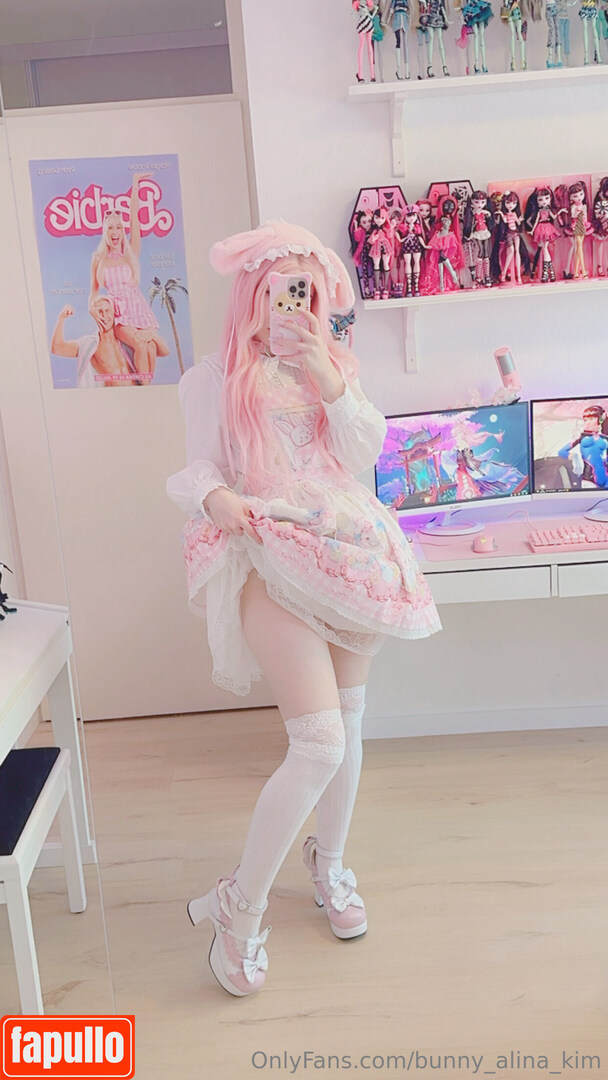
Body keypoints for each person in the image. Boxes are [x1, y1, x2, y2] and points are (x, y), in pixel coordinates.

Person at [166, 220, 441, 998]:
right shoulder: (212, 377)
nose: (293, 303)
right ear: (252, 294)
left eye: (307, 292)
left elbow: (363, 453)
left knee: (349, 720)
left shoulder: (333, 367)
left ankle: (330, 862)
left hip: (346, 549)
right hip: (268, 550)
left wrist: (326, 371)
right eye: (281, 289)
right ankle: (239, 909)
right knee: (317, 741)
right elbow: (196, 467)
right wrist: (215, 498)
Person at [89, 174, 169, 378]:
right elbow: (94, 292)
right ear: (105, 232)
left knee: (151, 348)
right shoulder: (98, 258)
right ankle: (143, 387)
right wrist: (94, 312)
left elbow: (135, 220)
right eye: (110, 228)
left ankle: (146, 389)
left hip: (138, 307)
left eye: (118, 227)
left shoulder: (130, 253)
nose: (115, 231)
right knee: (142, 345)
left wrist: (135, 185)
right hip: (118, 312)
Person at [50, 299, 146, 387]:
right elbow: (57, 348)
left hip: (136, 394)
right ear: (95, 316)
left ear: (113, 313)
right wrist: (61, 318)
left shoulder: (127, 341)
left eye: (107, 311)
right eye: (100, 312)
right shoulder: (89, 344)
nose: (104, 315)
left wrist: (150, 333)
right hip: (112, 397)